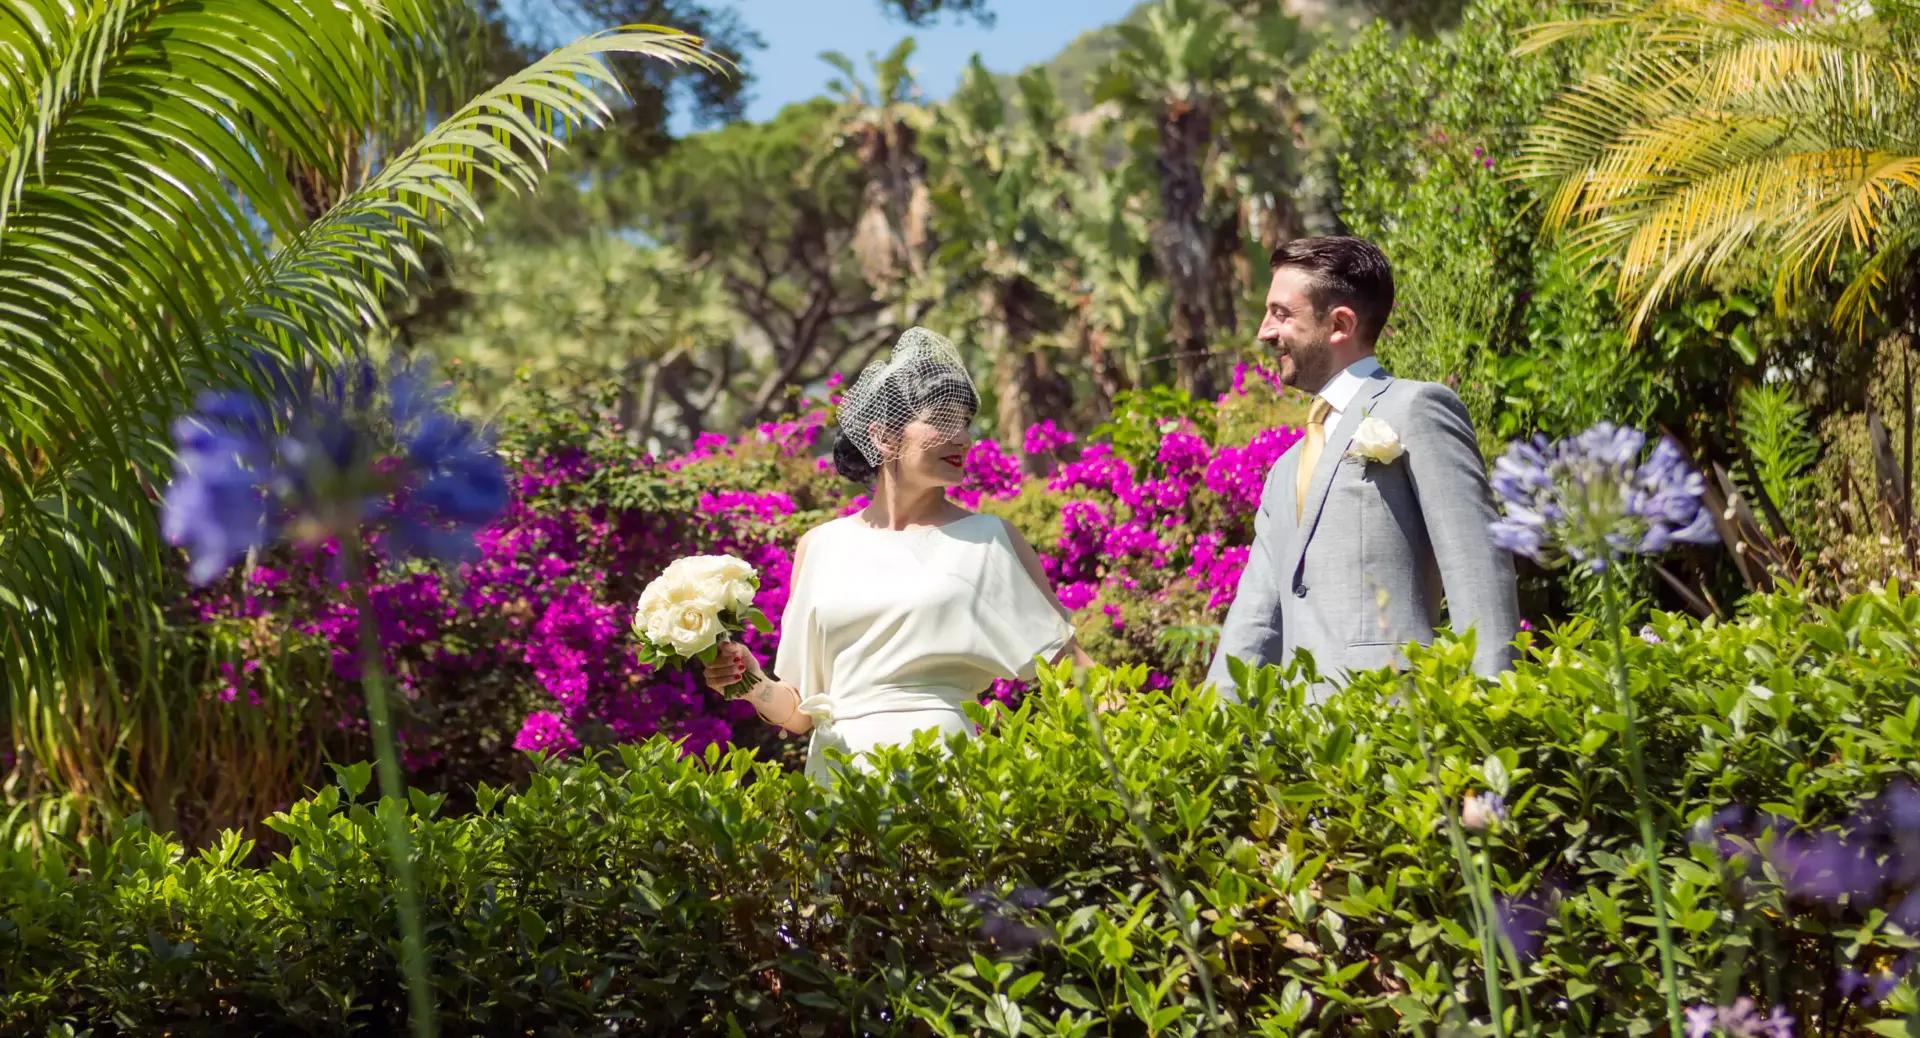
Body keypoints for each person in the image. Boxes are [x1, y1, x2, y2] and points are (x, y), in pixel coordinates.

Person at [704, 327, 1091, 783]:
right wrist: (751, 684)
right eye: (944, 420)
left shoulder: (990, 538)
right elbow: (802, 710)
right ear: (884, 437)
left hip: (948, 765)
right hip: (838, 775)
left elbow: (1074, 669)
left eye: (966, 423)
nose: (964, 438)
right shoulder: (820, 545)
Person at [1206, 236, 1518, 699]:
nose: (1264, 332)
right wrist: (1207, 736)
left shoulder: (1417, 408)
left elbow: (1476, 567)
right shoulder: (1285, 469)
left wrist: (1495, 710)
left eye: (1281, 314)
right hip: (1299, 745)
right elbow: (1255, 618)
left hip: (1395, 727)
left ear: (1340, 324)